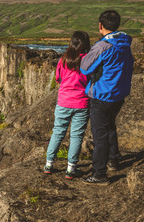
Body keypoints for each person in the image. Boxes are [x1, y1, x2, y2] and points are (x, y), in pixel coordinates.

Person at [80, 10, 134, 185]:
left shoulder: (102, 46)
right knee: (110, 127)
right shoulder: (125, 43)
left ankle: (99, 173)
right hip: (119, 94)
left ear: (100, 25)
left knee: (100, 135)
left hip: (102, 95)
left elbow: (85, 68)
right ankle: (113, 160)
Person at [44, 31, 91, 179]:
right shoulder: (88, 60)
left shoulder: (63, 60)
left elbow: (58, 78)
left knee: (58, 132)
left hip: (64, 102)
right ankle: (71, 169)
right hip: (82, 102)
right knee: (76, 136)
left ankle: (49, 164)